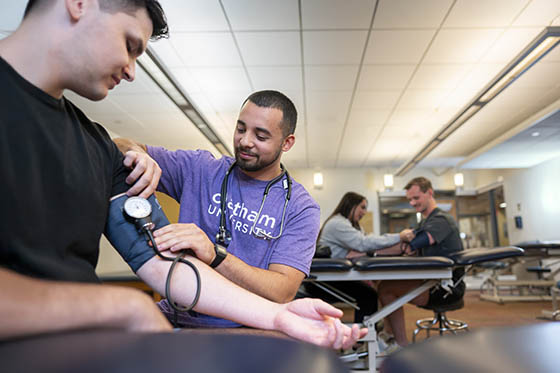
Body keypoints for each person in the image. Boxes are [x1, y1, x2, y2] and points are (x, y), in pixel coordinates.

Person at [0, 0, 367, 349]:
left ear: (286, 143)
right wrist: (117, 307)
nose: (130, 70)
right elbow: (134, 148)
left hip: (71, 351)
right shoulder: (190, 166)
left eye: (261, 135)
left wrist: (278, 316)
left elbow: (161, 264)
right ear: (79, 4)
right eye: (129, 45)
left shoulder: (94, 146)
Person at [114, 90, 323, 328]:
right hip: (178, 315)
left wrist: (214, 254)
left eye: (261, 136)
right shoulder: (200, 169)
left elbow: (282, 292)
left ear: (287, 143)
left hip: (248, 326)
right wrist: (141, 157)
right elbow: (119, 146)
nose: (245, 141)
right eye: (241, 129)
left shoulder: (300, 207)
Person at [377, 177, 465, 347]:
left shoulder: (441, 220)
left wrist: (372, 251)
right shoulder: (426, 221)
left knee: (386, 289)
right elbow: (406, 244)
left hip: (447, 288)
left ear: (429, 193)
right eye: (409, 199)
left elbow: (409, 246)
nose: (412, 203)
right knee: (384, 284)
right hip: (432, 281)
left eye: (416, 198)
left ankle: (401, 345)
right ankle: (388, 335)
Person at [303, 192, 415, 323]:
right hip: (324, 281)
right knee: (368, 295)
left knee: (372, 293)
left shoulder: (353, 225)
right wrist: (398, 237)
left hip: (335, 276)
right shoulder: (338, 223)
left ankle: (369, 334)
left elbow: (364, 245)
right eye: (362, 207)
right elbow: (364, 243)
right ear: (351, 205)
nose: (365, 212)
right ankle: (362, 337)